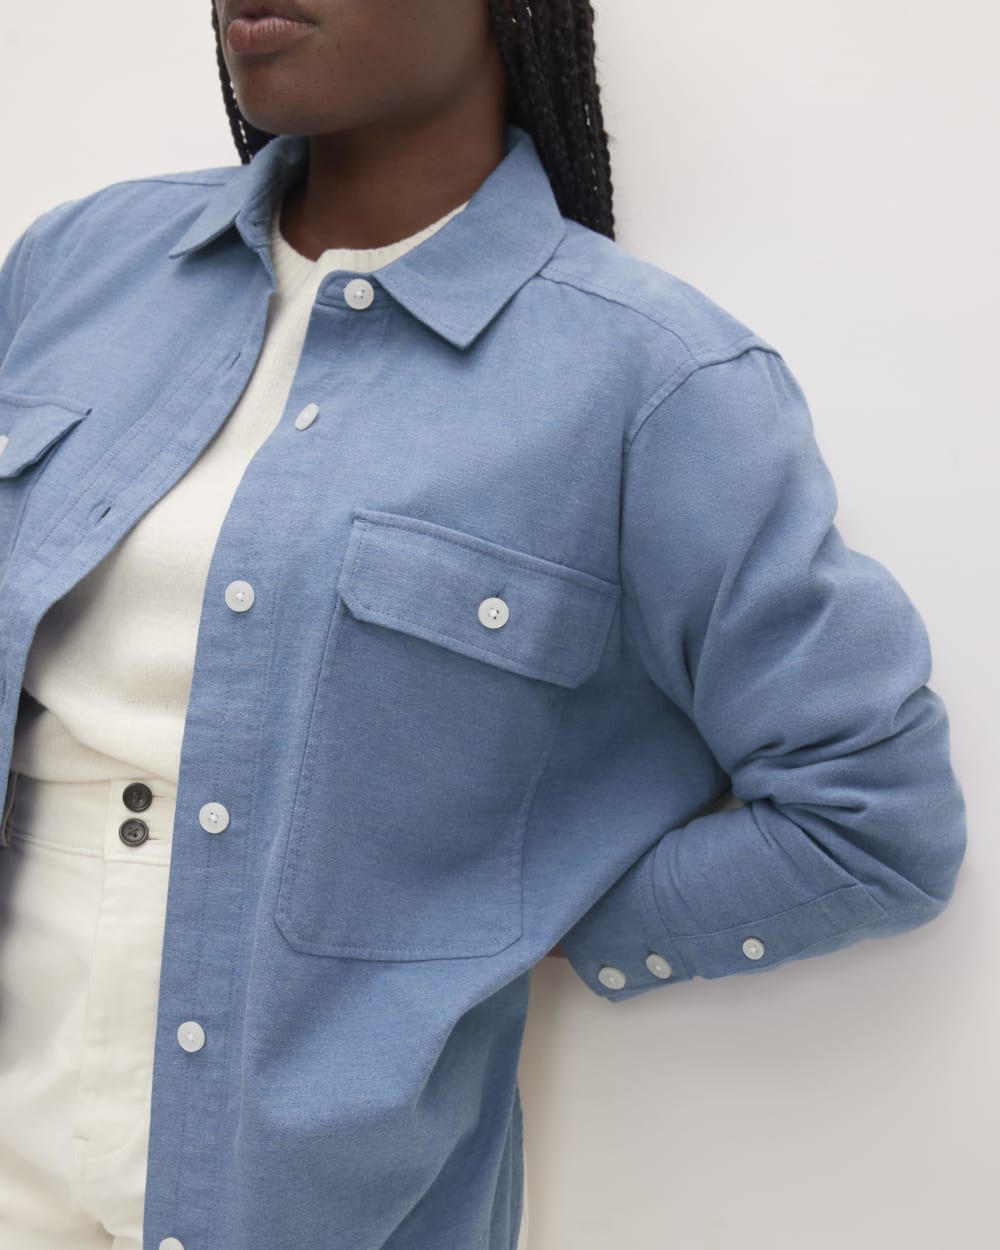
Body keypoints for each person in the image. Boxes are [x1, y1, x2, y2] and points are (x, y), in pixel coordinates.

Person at [0, 1, 967, 1248]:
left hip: (305, 1200)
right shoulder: (77, 266)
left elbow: (872, 822)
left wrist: (489, 925)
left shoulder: (653, 380)